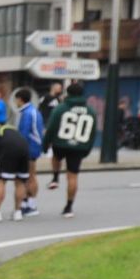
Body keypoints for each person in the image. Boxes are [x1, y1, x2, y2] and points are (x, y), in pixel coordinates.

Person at [43, 81, 97, 218]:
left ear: (68, 93)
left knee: (56, 157)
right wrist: (87, 148)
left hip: (60, 142)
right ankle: (69, 207)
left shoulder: (61, 108)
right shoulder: (91, 111)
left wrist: (45, 144)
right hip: (79, 146)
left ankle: (55, 177)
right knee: (73, 176)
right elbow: (92, 132)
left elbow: (51, 128)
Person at [0, 91, 31, 222]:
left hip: (9, 150)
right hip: (24, 147)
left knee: (2, 181)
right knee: (20, 181)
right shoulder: (9, 128)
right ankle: (18, 212)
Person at [15, 86, 46, 217]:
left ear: (20, 99)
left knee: (29, 176)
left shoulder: (27, 113)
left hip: (29, 148)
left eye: (16, 99)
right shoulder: (33, 111)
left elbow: (24, 132)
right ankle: (27, 202)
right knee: (29, 176)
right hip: (34, 147)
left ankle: (31, 206)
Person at [33, 82, 62, 200]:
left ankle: (55, 175)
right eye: (58, 87)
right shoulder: (46, 97)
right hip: (47, 125)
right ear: (53, 88)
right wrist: (43, 126)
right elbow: (40, 111)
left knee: (54, 150)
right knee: (46, 145)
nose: (60, 89)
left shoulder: (60, 100)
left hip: (57, 127)